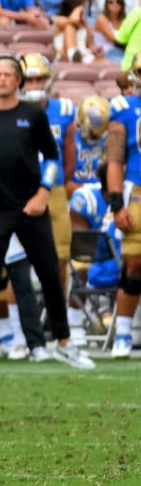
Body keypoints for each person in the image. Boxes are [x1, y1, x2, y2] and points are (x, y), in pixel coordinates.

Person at [0, 55, 96, 372]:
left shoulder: (33, 115)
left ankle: (63, 342)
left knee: (50, 274)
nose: (3, 80)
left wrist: (43, 193)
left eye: (9, 74)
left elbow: (51, 156)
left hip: (30, 206)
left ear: (19, 81)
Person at [106, 55, 141, 356]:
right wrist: (117, 203)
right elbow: (115, 160)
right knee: (134, 265)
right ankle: (124, 333)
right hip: (137, 191)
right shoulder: (124, 108)